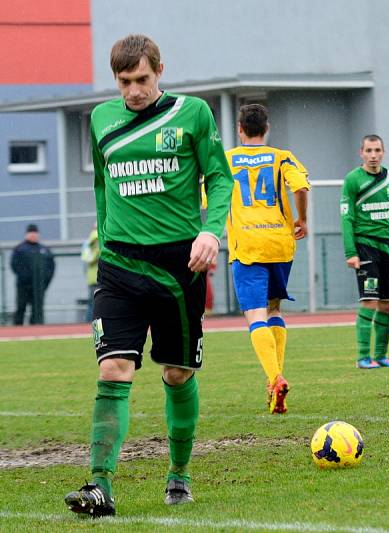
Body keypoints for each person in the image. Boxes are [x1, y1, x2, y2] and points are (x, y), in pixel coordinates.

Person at [64, 34, 233, 517]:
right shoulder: (101, 119)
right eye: (124, 82)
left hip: (179, 267)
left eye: (141, 79)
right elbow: (101, 185)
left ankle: (178, 474)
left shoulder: (193, 114)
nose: (133, 90)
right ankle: (100, 486)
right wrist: (106, 232)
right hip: (118, 266)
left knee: (178, 375)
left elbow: (219, 177)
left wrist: (210, 231)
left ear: (159, 70)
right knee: (113, 368)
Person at [226, 103, 310, 414]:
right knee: (274, 307)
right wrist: (302, 219)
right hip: (280, 242)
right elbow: (300, 186)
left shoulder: (226, 161)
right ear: (267, 128)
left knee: (254, 315)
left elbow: (208, 198)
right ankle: (274, 380)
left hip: (247, 246)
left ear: (239, 129)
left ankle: (274, 377)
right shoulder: (281, 156)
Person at [340, 134, 389, 369]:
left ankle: (381, 356)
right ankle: (363, 357)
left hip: (388, 248)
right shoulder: (352, 180)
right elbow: (347, 217)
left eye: (377, 150)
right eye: (369, 151)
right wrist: (351, 252)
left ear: (383, 152)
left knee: (387, 303)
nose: (373, 155)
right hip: (365, 246)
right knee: (370, 300)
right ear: (361, 153)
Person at [11, 223, 55, 325]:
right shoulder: (20, 249)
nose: (33, 235)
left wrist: (44, 282)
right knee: (21, 307)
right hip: (23, 286)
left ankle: (36, 330)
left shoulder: (44, 250)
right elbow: (15, 265)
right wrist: (25, 278)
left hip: (39, 286)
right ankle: (17, 330)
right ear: (27, 234)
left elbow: (51, 267)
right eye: (31, 233)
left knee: (37, 310)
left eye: (35, 233)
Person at [81, 223, 100, 322]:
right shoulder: (102, 239)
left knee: (92, 304)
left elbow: (85, 260)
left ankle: (89, 326)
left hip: (92, 279)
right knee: (99, 305)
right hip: (103, 278)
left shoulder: (87, 243)